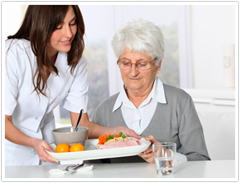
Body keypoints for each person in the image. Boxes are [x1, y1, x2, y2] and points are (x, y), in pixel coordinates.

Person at [5, 5, 139, 166]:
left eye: (73, 23)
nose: (69, 34)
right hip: (9, 155)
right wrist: (33, 142)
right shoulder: (13, 54)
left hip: (48, 153)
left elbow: (80, 124)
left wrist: (115, 132)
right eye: (58, 26)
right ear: (40, 24)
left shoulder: (76, 63)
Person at [89, 19, 211, 163]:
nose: (133, 72)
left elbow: (202, 162)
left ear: (158, 64)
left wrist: (167, 157)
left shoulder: (180, 102)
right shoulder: (104, 110)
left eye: (142, 64)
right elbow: (92, 165)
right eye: (126, 63)